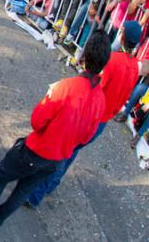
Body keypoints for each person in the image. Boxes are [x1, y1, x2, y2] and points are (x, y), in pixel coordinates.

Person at [0, 30, 109, 231]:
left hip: (36, 150)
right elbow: (86, 137)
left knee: (0, 177)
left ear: (84, 56)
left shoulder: (67, 86)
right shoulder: (100, 100)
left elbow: (37, 120)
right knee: (22, 191)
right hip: (57, 159)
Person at [26, 21, 141, 206]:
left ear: (123, 36)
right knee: (70, 152)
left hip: (90, 114)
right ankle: (48, 185)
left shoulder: (113, 61)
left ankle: (35, 194)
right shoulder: (135, 67)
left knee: (63, 151)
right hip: (102, 120)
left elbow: (96, 87)